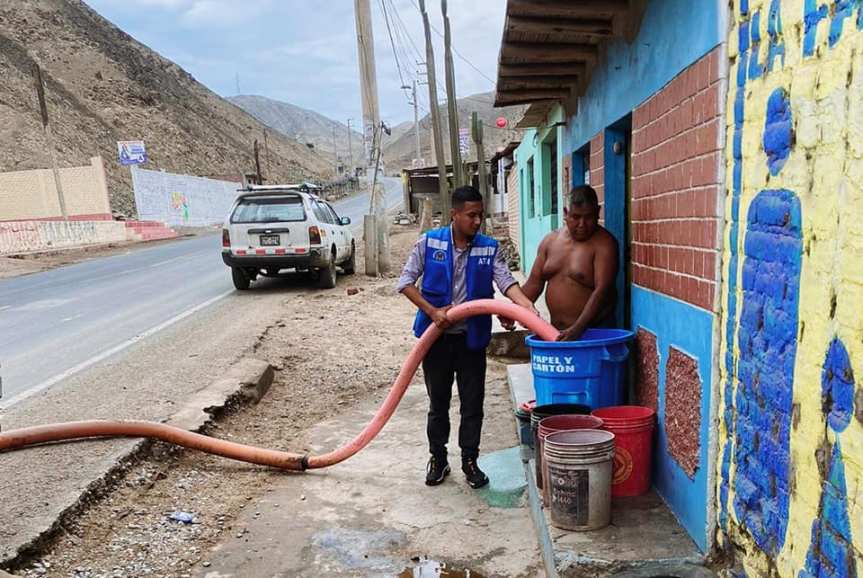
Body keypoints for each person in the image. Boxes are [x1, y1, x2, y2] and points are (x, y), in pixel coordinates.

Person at [398, 185, 538, 488]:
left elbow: (505, 281)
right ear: (455, 214)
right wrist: (433, 312)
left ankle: (470, 461)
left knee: (473, 404)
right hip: (436, 340)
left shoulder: (489, 246)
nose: (477, 221)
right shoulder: (428, 243)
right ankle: (438, 458)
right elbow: (406, 282)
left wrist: (524, 307)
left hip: (471, 340)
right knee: (439, 403)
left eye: (481, 215)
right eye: (471, 215)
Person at [519, 184, 619, 341]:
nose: (582, 224)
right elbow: (534, 284)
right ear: (566, 214)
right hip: (557, 334)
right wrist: (513, 311)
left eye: (588, 217)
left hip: (594, 335)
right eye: (576, 217)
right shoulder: (550, 241)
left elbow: (602, 291)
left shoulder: (605, 244)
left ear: (598, 213)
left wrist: (578, 329)